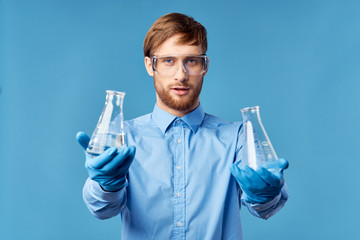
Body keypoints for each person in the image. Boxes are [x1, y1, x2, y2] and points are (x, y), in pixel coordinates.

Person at [76, 12, 289, 240]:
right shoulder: (124, 138)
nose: (181, 75)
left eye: (191, 61)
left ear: (205, 66)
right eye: (169, 61)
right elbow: (102, 209)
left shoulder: (237, 137)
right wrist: (106, 186)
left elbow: (265, 209)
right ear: (150, 65)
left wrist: (266, 195)